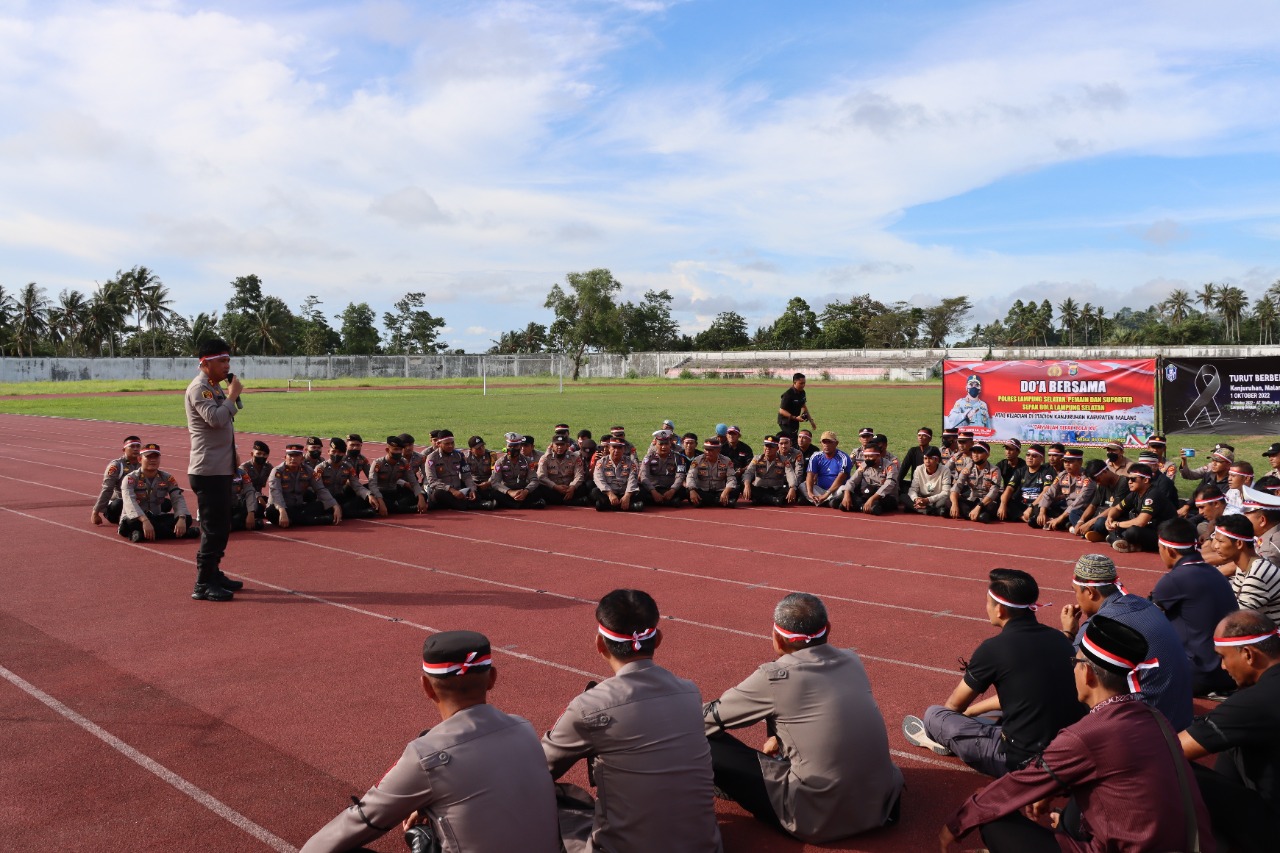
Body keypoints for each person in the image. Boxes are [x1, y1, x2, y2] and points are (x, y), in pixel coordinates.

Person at [940, 615, 1214, 853]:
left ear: (1089, 674)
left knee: (990, 815)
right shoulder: (1153, 715)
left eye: (1076, 661)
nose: (1072, 668)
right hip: (1192, 844)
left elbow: (1018, 785)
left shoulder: (1087, 734)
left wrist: (957, 823)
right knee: (1076, 803)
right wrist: (1052, 789)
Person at [301, 631, 560, 853]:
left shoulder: (426, 755)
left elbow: (359, 822)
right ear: (492, 678)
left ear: (427, 687)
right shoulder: (524, 728)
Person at [704, 592, 903, 843]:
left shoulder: (774, 677)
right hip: (884, 806)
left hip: (816, 819)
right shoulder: (853, 661)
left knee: (702, 742)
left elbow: (704, 720)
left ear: (777, 638)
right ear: (828, 628)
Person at [543, 590, 722, 853]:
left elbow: (539, 768)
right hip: (705, 847)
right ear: (658, 639)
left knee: (553, 801)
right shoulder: (690, 691)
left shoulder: (589, 706)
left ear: (599, 645)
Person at [903, 569, 1084, 777]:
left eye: (988, 602)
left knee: (935, 715)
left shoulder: (993, 649)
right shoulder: (1061, 638)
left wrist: (963, 716)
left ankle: (941, 738)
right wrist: (972, 713)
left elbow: (954, 706)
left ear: (999, 610)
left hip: (1022, 762)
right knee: (1012, 705)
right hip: (1069, 754)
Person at [1180, 610, 1280, 853]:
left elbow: (1174, 748)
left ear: (1247, 654)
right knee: (1229, 738)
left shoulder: (1253, 703)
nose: (1223, 667)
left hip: (1272, 828)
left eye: (1223, 657)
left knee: (1174, 770)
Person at [1059, 553, 1193, 729]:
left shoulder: (1104, 622)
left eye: (1075, 591)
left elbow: (1066, 669)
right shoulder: (1144, 604)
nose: (1076, 598)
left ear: (1090, 592)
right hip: (1180, 718)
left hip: (1150, 727)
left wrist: (1068, 632)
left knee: (1073, 686)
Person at [1151, 518, 1239, 697]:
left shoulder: (1174, 579)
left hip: (1198, 674)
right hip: (1229, 672)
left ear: (1168, 550)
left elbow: (1144, 618)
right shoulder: (1215, 573)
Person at [184, 337, 244, 602]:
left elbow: (225, 423)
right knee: (213, 528)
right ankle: (202, 584)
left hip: (220, 467)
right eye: (222, 360)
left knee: (222, 525)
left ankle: (214, 573)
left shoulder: (214, 387)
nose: (226, 365)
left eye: (228, 360)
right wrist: (232, 395)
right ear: (205, 362)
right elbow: (217, 420)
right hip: (207, 470)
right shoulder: (200, 389)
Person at [1084, 463, 1176, 553]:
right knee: (1110, 521)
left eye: (1133, 479)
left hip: (1164, 533)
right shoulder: (1135, 493)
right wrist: (1110, 519)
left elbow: (1141, 522)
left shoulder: (1153, 495)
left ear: (1146, 480)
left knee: (1133, 531)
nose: (1129, 482)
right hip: (1148, 528)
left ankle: (1114, 539)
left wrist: (1117, 524)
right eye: (1128, 479)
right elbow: (1116, 508)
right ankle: (1120, 541)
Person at [1209, 513, 1280, 623]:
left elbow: (1236, 618)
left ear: (1239, 543)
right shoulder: (1246, 566)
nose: (1215, 546)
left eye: (1221, 541)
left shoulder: (1258, 572)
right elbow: (1233, 602)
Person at [118, 443, 195, 543]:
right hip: (136, 518)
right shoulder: (130, 479)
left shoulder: (167, 478)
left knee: (187, 518)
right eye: (149, 457)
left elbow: (177, 498)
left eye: (156, 457)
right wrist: (145, 520)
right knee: (132, 523)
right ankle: (184, 534)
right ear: (140, 459)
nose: (153, 460)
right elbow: (129, 502)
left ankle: (142, 535)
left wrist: (181, 517)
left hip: (156, 517)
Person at [265, 443, 342, 527]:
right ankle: (316, 520)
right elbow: (276, 492)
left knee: (323, 505)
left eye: (297, 456)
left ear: (302, 458)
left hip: (298, 507)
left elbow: (320, 489)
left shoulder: (308, 470)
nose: (293, 459)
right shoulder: (277, 471)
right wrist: (282, 510)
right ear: (285, 457)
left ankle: (296, 521)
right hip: (279, 508)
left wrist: (335, 505)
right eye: (290, 456)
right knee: (270, 512)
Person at [315, 438, 378, 520]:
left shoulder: (348, 467)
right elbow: (320, 489)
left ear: (344, 454)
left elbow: (357, 485)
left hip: (340, 497)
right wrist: (333, 504)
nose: (336, 454)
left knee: (363, 499)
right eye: (334, 451)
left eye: (340, 452)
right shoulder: (320, 468)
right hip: (324, 499)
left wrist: (369, 495)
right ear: (328, 452)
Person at [1035, 448, 1095, 532]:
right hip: (1065, 508)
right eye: (1065, 462)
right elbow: (1049, 494)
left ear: (1080, 462)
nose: (1067, 464)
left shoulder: (1087, 478)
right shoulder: (1062, 475)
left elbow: (1079, 502)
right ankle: (1061, 523)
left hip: (1080, 510)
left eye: (1070, 462)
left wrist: (1060, 518)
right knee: (1037, 511)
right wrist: (1042, 512)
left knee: (1072, 516)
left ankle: (1063, 523)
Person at [368, 436, 429, 515]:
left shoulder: (404, 462)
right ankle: (408, 508)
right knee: (374, 500)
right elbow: (372, 484)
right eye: (396, 449)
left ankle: (397, 507)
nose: (398, 452)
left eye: (400, 449)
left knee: (424, 495)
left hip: (395, 492)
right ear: (387, 450)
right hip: (380, 493)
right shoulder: (378, 463)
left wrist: (420, 496)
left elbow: (413, 481)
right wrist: (380, 500)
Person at [91, 435, 142, 526]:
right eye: (132, 446)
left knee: (165, 503)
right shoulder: (116, 465)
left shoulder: (143, 464)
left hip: (139, 501)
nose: (135, 449)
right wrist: (96, 512)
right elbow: (107, 488)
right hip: (120, 502)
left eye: (138, 446)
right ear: (124, 450)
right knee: (118, 504)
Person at [949, 441, 1002, 523]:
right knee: (948, 501)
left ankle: (970, 514)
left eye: (979, 452)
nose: (975, 455)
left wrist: (979, 506)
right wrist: (954, 504)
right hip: (972, 500)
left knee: (988, 511)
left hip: (986, 503)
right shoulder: (968, 467)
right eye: (974, 452)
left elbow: (994, 491)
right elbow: (958, 485)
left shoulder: (994, 470)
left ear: (988, 455)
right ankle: (972, 514)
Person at [490, 435, 546, 509]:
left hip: (522, 489)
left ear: (519, 447)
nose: (512, 449)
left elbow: (534, 479)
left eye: (515, 446)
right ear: (506, 447)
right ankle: (527, 505)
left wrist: (526, 491)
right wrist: (510, 492)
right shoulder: (499, 462)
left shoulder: (528, 461)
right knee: (493, 492)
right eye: (510, 446)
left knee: (538, 491)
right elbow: (495, 482)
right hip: (507, 490)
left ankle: (510, 504)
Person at [840, 444, 898, 514]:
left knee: (876, 506)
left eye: (870, 456)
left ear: (878, 455)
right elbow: (852, 480)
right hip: (868, 493)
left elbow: (889, 484)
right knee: (841, 503)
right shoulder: (864, 465)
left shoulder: (890, 466)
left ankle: (860, 506)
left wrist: (872, 499)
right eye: (865, 456)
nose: (867, 459)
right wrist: (847, 494)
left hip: (884, 496)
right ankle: (864, 507)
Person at [741, 436, 797, 506]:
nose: (768, 448)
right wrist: (747, 485)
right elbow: (748, 472)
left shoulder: (784, 460)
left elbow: (790, 474)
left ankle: (761, 500)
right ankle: (773, 500)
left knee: (789, 489)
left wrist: (792, 487)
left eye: (771, 446)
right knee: (741, 484)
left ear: (777, 448)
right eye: (766, 446)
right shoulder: (757, 459)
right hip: (760, 488)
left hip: (775, 489)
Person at [639, 429, 688, 507]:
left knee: (685, 490)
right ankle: (669, 502)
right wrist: (653, 491)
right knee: (639, 491)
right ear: (655, 444)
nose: (663, 447)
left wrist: (672, 490)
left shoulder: (678, 458)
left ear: (670, 444)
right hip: (652, 488)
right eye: (661, 444)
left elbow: (680, 476)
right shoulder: (649, 457)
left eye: (666, 444)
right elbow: (643, 476)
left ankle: (656, 501)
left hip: (669, 488)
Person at [685, 437, 738, 507]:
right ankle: (720, 501)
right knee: (688, 491)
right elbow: (690, 476)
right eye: (706, 449)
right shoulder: (697, 460)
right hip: (703, 491)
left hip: (720, 491)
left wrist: (726, 491)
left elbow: (731, 477)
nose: (707, 452)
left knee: (736, 488)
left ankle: (715, 500)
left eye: (710, 450)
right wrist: (692, 490)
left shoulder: (726, 460)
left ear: (718, 450)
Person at [593, 438, 643, 512]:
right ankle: (631, 506)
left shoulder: (630, 463)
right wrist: (610, 494)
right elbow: (599, 479)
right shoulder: (601, 462)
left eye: (619, 448)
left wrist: (627, 495)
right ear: (609, 448)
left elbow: (633, 480)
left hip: (625, 492)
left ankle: (609, 506)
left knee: (642, 491)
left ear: (624, 449)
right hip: (608, 493)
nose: (616, 450)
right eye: (614, 447)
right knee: (594, 492)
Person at [538, 433, 588, 506]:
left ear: (567, 446)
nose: (559, 447)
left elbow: (579, 475)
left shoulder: (575, 457)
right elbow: (541, 476)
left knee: (586, 486)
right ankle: (570, 502)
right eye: (557, 445)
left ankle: (561, 501)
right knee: (540, 488)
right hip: (553, 488)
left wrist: (572, 487)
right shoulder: (545, 458)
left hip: (569, 488)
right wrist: (555, 487)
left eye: (562, 445)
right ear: (552, 445)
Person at [803, 430, 849, 508]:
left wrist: (826, 495)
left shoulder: (843, 458)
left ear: (836, 443)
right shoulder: (816, 456)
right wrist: (810, 493)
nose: (826, 445)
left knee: (843, 489)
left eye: (829, 442)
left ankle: (820, 501)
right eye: (824, 442)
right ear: (821, 443)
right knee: (803, 485)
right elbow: (810, 475)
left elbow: (841, 479)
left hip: (835, 490)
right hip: (820, 490)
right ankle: (826, 502)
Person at [904, 447, 952, 515]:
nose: (927, 461)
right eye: (925, 458)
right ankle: (931, 510)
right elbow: (913, 489)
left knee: (945, 501)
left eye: (930, 458)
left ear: (937, 460)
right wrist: (916, 499)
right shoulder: (919, 469)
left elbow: (946, 492)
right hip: (921, 498)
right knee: (903, 497)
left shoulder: (945, 470)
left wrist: (928, 500)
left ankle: (921, 509)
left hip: (936, 499)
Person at [776, 372, 814, 441]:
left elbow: (803, 406)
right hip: (785, 421)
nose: (803, 385)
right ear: (794, 382)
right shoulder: (788, 394)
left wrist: (811, 421)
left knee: (793, 438)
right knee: (791, 439)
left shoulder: (802, 392)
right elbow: (781, 410)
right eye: (801, 383)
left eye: (804, 383)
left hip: (795, 419)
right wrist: (795, 418)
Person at [896, 427, 933, 493]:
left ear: (930, 439)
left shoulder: (933, 451)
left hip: (929, 484)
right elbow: (904, 467)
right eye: (919, 435)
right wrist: (897, 483)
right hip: (915, 484)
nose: (920, 437)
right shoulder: (913, 451)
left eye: (924, 436)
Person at [240, 440, 272, 511]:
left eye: (264, 454)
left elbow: (276, 479)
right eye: (259, 453)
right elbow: (245, 487)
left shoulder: (267, 467)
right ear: (252, 454)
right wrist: (258, 496)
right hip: (245, 498)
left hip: (259, 498)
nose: (262, 456)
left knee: (273, 507)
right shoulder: (244, 468)